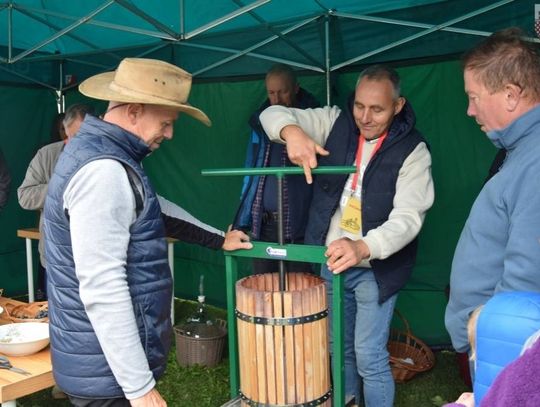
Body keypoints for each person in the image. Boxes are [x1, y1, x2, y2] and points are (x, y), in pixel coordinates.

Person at [42, 58, 252, 406]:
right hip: (107, 376)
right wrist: (139, 389)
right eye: (166, 123)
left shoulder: (104, 156)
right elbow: (102, 286)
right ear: (135, 111)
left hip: (101, 367)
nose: (169, 134)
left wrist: (218, 238)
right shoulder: (104, 172)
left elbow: (153, 206)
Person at [260, 64, 434, 407]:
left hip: (376, 270)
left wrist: (364, 246)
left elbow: (408, 219)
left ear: (398, 106)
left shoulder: (414, 151)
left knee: (369, 354)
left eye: (377, 109)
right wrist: (291, 132)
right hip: (332, 264)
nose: (365, 117)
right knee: (339, 350)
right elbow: (273, 114)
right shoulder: (335, 121)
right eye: (359, 105)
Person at [445, 27, 540, 356]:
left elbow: (529, 271)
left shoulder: (536, 158)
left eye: (474, 97)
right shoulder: (522, 150)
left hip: (503, 346)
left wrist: (488, 332)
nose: (470, 110)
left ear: (511, 95)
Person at [233, 63, 319, 274]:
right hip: (263, 223)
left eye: (283, 91)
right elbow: (250, 175)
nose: (277, 99)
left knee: (301, 294)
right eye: (272, 93)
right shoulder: (259, 123)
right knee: (264, 292)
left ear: (296, 88)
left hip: (301, 224)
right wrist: (240, 220)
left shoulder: (315, 119)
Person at [18, 104, 95, 300]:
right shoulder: (46, 155)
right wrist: (60, 187)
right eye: (72, 136)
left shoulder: (107, 158)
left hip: (97, 259)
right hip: (57, 257)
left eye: (85, 136)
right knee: (59, 317)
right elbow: (25, 196)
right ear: (65, 131)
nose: (76, 143)